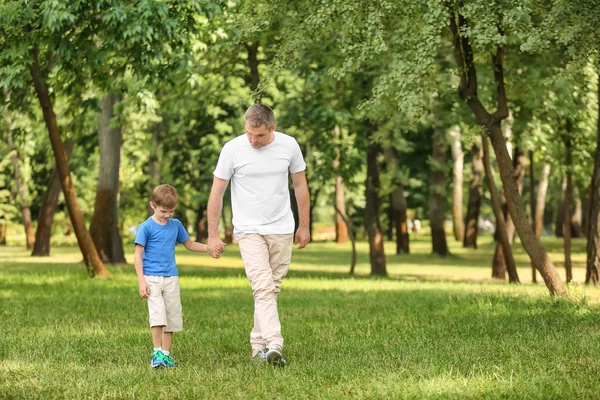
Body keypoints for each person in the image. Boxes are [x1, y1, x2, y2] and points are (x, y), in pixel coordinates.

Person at [207, 104, 310, 367]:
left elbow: (300, 186)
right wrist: (212, 233)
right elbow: (217, 193)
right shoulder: (232, 149)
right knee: (262, 287)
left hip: (282, 228)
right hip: (248, 229)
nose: (253, 140)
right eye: (250, 134)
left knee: (270, 289)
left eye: (260, 135)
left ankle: (257, 348)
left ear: (272, 127)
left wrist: (304, 225)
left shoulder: (289, 146)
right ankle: (275, 344)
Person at [134, 184, 217, 368]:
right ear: (153, 205)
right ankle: (156, 353)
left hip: (171, 278)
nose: (167, 215)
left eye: (171, 211)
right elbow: (138, 256)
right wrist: (141, 280)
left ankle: (166, 354)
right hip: (152, 278)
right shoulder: (145, 227)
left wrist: (208, 248)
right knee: (157, 315)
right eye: (164, 211)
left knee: (171, 317)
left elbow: (188, 244)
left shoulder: (176, 225)